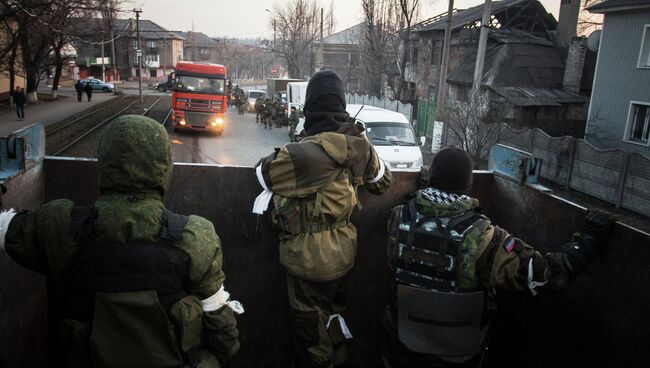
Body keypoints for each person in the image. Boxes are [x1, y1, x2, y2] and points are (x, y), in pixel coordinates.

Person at [0, 115, 242, 367]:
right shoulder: (195, 235)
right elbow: (223, 333)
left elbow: (4, 227)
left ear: (104, 165)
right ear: (164, 169)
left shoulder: (56, 226)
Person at [382, 147, 616, 368]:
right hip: (456, 357)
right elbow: (548, 275)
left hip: (401, 347)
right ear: (468, 186)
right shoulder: (485, 237)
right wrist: (588, 240)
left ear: (432, 179)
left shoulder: (398, 217)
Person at [253, 70, 393, 368]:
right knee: (333, 319)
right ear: (341, 105)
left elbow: (262, 174)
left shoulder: (301, 154)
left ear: (311, 107)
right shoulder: (358, 146)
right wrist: (361, 144)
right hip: (344, 256)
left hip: (308, 261)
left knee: (309, 337)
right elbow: (382, 183)